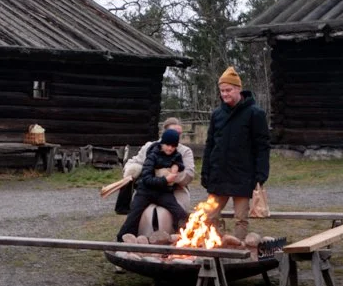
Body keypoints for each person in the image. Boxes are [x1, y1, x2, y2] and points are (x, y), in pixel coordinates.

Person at [201, 66, 270, 240]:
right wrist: (205, 171)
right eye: (222, 90)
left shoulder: (255, 114)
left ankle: (237, 251)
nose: (225, 94)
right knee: (210, 216)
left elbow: (262, 146)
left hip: (243, 175)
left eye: (228, 90)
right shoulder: (217, 114)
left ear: (238, 89)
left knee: (240, 218)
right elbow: (210, 145)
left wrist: (261, 174)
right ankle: (215, 248)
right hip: (219, 174)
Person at [116, 129, 187, 241]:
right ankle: (122, 240)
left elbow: (180, 163)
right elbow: (147, 179)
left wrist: (177, 166)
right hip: (146, 191)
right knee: (134, 214)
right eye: (168, 145)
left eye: (173, 146)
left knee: (180, 213)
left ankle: (186, 236)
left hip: (163, 193)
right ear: (162, 143)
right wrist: (165, 179)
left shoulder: (176, 155)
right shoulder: (152, 156)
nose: (170, 148)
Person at [119, 117, 196, 213]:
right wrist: (133, 170)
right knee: (137, 213)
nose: (177, 136)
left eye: (179, 134)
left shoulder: (185, 151)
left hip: (175, 190)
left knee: (177, 214)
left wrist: (166, 175)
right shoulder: (149, 147)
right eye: (174, 132)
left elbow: (189, 174)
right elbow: (134, 162)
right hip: (148, 188)